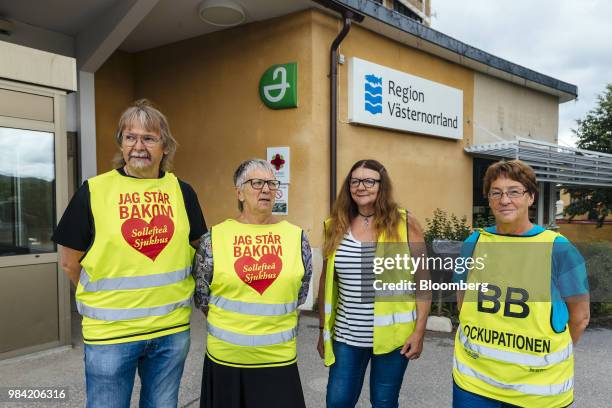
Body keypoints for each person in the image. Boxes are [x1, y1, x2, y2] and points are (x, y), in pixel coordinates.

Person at [53, 99, 206, 408]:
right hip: (110, 336)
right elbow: (70, 262)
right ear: (121, 144)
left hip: (170, 332)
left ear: (165, 147)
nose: (139, 146)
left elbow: (201, 253)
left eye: (149, 138)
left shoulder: (182, 192)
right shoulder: (94, 191)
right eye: (130, 137)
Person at [452, 160, 590, 408]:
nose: (505, 200)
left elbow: (579, 317)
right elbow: (462, 299)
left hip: (537, 390)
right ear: (490, 199)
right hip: (474, 381)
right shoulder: (472, 243)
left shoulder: (559, 249)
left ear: (531, 197)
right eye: (497, 193)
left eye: (514, 191)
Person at [192, 158, 312, 408]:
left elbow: (299, 292)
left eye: (271, 183)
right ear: (239, 192)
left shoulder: (296, 237)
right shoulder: (214, 238)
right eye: (257, 183)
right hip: (227, 361)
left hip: (279, 360)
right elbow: (202, 296)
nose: (266, 189)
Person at [317, 159, 431, 408]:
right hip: (347, 336)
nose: (361, 186)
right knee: (337, 402)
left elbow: (423, 280)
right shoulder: (334, 226)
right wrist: (321, 331)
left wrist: (419, 331)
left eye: (369, 181)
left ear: (382, 186)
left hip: (393, 339)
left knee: (384, 402)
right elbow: (327, 282)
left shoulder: (404, 223)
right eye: (355, 181)